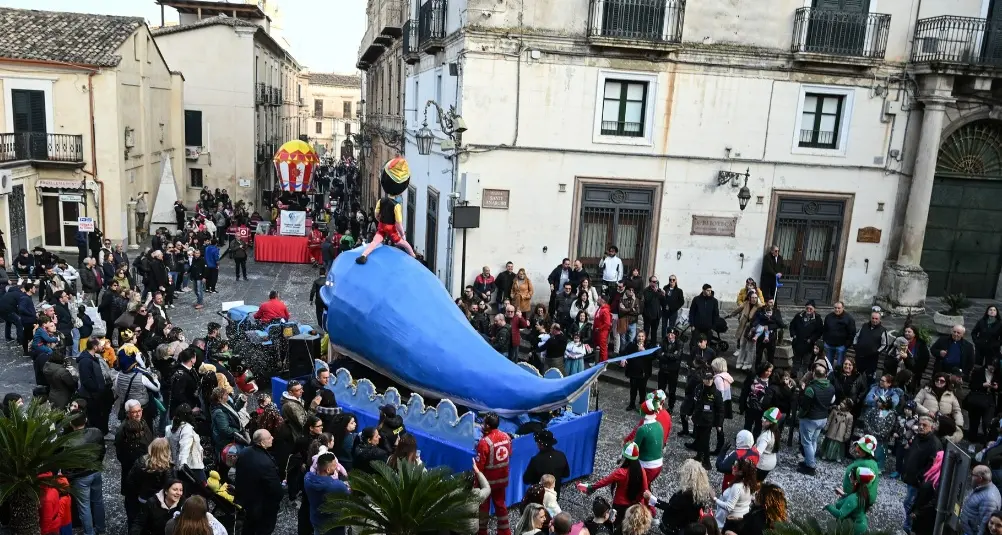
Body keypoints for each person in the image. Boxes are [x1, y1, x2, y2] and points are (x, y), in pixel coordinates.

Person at [579, 443, 649, 532]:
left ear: (625, 457)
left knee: (614, 525)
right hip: (634, 505)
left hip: (619, 505)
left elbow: (605, 481)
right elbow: (645, 491)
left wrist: (592, 487)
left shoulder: (621, 472)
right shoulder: (641, 470)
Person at [645, 459, 714, 535]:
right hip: (688, 526)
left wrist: (652, 498)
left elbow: (669, 507)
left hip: (674, 527)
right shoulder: (702, 493)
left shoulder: (683, 496)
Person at [235, 430, 284, 535]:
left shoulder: (244, 452)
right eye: (269, 437)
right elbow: (276, 489)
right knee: (265, 529)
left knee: (249, 527)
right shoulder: (266, 463)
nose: (273, 438)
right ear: (262, 443)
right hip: (262, 505)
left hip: (247, 500)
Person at [66, 412, 107, 535]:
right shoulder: (96, 432)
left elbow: (68, 464)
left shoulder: (69, 441)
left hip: (80, 477)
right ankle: (101, 528)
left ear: (70, 423)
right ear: (86, 420)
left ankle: (89, 533)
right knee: (98, 502)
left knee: (84, 507)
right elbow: (102, 451)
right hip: (95, 471)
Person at [902, 416, 943, 534]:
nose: (920, 427)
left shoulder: (934, 444)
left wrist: (919, 478)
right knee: (908, 503)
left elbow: (932, 466)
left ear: (932, 427)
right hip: (911, 478)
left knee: (910, 504)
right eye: (920, 424)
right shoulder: (918, 437)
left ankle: (910, 527)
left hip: (918, 482)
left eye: (924, 425)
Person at [477, 412, 512, 535]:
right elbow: (509, 454)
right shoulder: (507, 437)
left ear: (487, 425)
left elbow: (480, 465)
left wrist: (476, 484)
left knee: (483, 508)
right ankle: (505, 530)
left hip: (487, 482)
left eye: (483, 422)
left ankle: (482, 531)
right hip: (502, 479)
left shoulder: (484, 442)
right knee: (500, 505)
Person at [798, 363, 835, 476]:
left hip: (810, 419)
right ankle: (809, 460)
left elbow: (805, 405)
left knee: (807, 442)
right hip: (823, 418)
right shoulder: (831, 387)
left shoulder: (811, 389)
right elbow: (832, 401)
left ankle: (810, 466)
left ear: (814, 374)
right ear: (825, 375)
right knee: (813, 440)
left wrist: (801, 415)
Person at [305, 453, 351, 535]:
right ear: (328, 470)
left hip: (316, 520)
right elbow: (349, 495)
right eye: (334, 466)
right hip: (334, 525)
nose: (337, 467)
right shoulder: (337, 485)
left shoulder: (307, 478)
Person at [825, 466, 875, 535]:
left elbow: (840, 514)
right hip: (861, 523)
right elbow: (855, 502)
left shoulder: (853, 498)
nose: (849, 476)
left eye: (851, 476)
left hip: (853, 528)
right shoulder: (864, 491)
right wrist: (844, 495)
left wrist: (828, 506)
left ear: (856, 481)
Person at [522, 430, 570, 496]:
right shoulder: (561, 455)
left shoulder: (536, 460)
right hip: (555, 494)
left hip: (540, 497)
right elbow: (566, 474)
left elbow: (526, 480)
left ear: (541, 445)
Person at [714, 458, 757, 530]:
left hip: (731, 519)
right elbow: (751, 497)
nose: (732, 467)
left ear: (741, 472)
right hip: (742, 514)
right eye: (733, 464)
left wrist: (714, 498)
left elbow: (729, 507)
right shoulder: (749, 482)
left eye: (735, 467)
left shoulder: (737, 486)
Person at [960, 465, 1002, 535]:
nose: (971, 477)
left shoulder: (989, 500)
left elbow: (984, 527)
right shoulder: (981, 488)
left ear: (979, 478)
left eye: (973, 475)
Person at [822, 302, 855, 367]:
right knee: (828, 364)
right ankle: (829, 375)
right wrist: (825, 340)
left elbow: (852, 333)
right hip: (829, 344)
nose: (837, 310)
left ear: (843, 308)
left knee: (840, 365)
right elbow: (825, 329)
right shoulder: (829, 317)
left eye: (839, 308)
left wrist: (846, 345)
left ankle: (838, 376)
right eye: (835, 308)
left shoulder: (849, 319)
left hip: (841, 346)